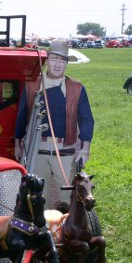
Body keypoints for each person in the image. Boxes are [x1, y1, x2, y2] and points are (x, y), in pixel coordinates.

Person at [14, 39, 94, 210]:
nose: (57, 64)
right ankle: (41, 233)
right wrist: (17, 144)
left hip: (64, 151)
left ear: (66, 63)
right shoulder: (32, 86)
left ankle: (64, 233)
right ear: (47, 60)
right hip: (37, 150)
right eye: (54, 59)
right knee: (36, 196)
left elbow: (87, 119)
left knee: (67, 196)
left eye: (62, 60)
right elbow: (21, 117)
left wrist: (85, 148)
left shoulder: (76, 88)